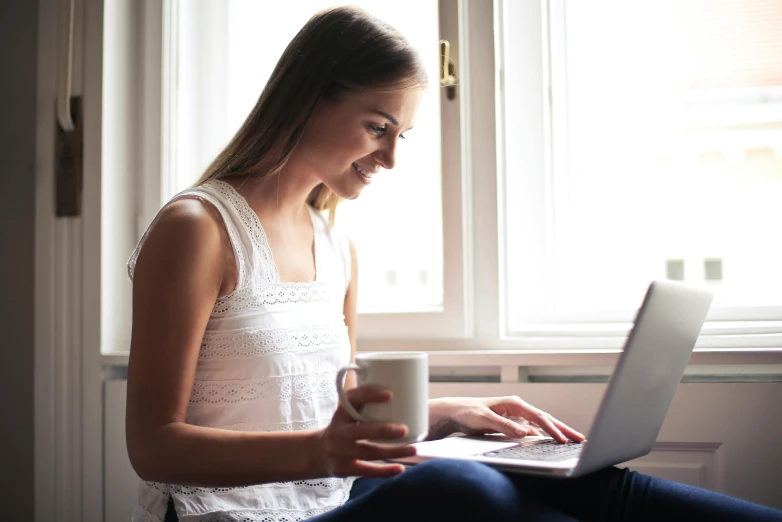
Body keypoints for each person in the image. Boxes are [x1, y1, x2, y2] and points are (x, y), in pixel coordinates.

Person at [125, 5, 782, 522]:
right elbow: (153, 446)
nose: (389, 159)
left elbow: (338, 417)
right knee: (463, 486)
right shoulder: (199, 229)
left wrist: (446, 411)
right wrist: (321, 452)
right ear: (309, 97)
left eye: (400, 135)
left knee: (579, 480)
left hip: (335, 499)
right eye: (378, 126)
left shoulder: (335, 246)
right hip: (238, 517)